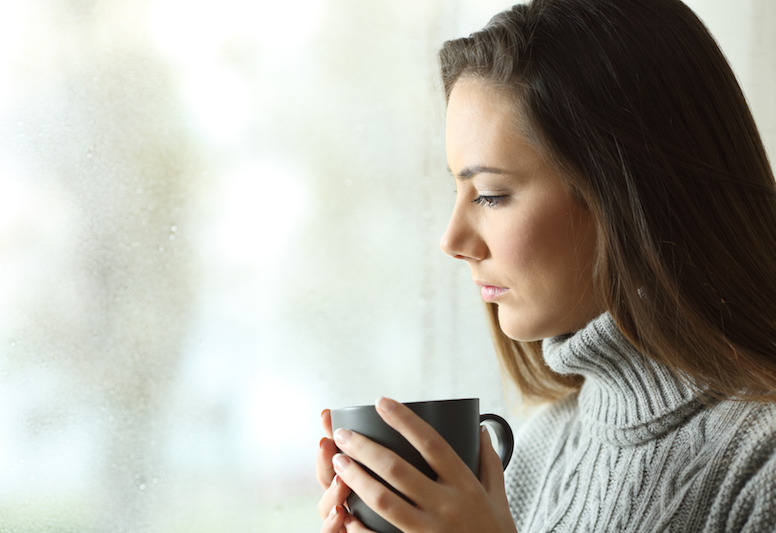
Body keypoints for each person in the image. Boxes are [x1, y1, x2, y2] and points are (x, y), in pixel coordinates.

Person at [316, 0, 776, 530]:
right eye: (456, 189)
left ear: (626, 197)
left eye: (489, 194)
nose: (452, 239)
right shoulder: (540, 449)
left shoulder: (761, 463)